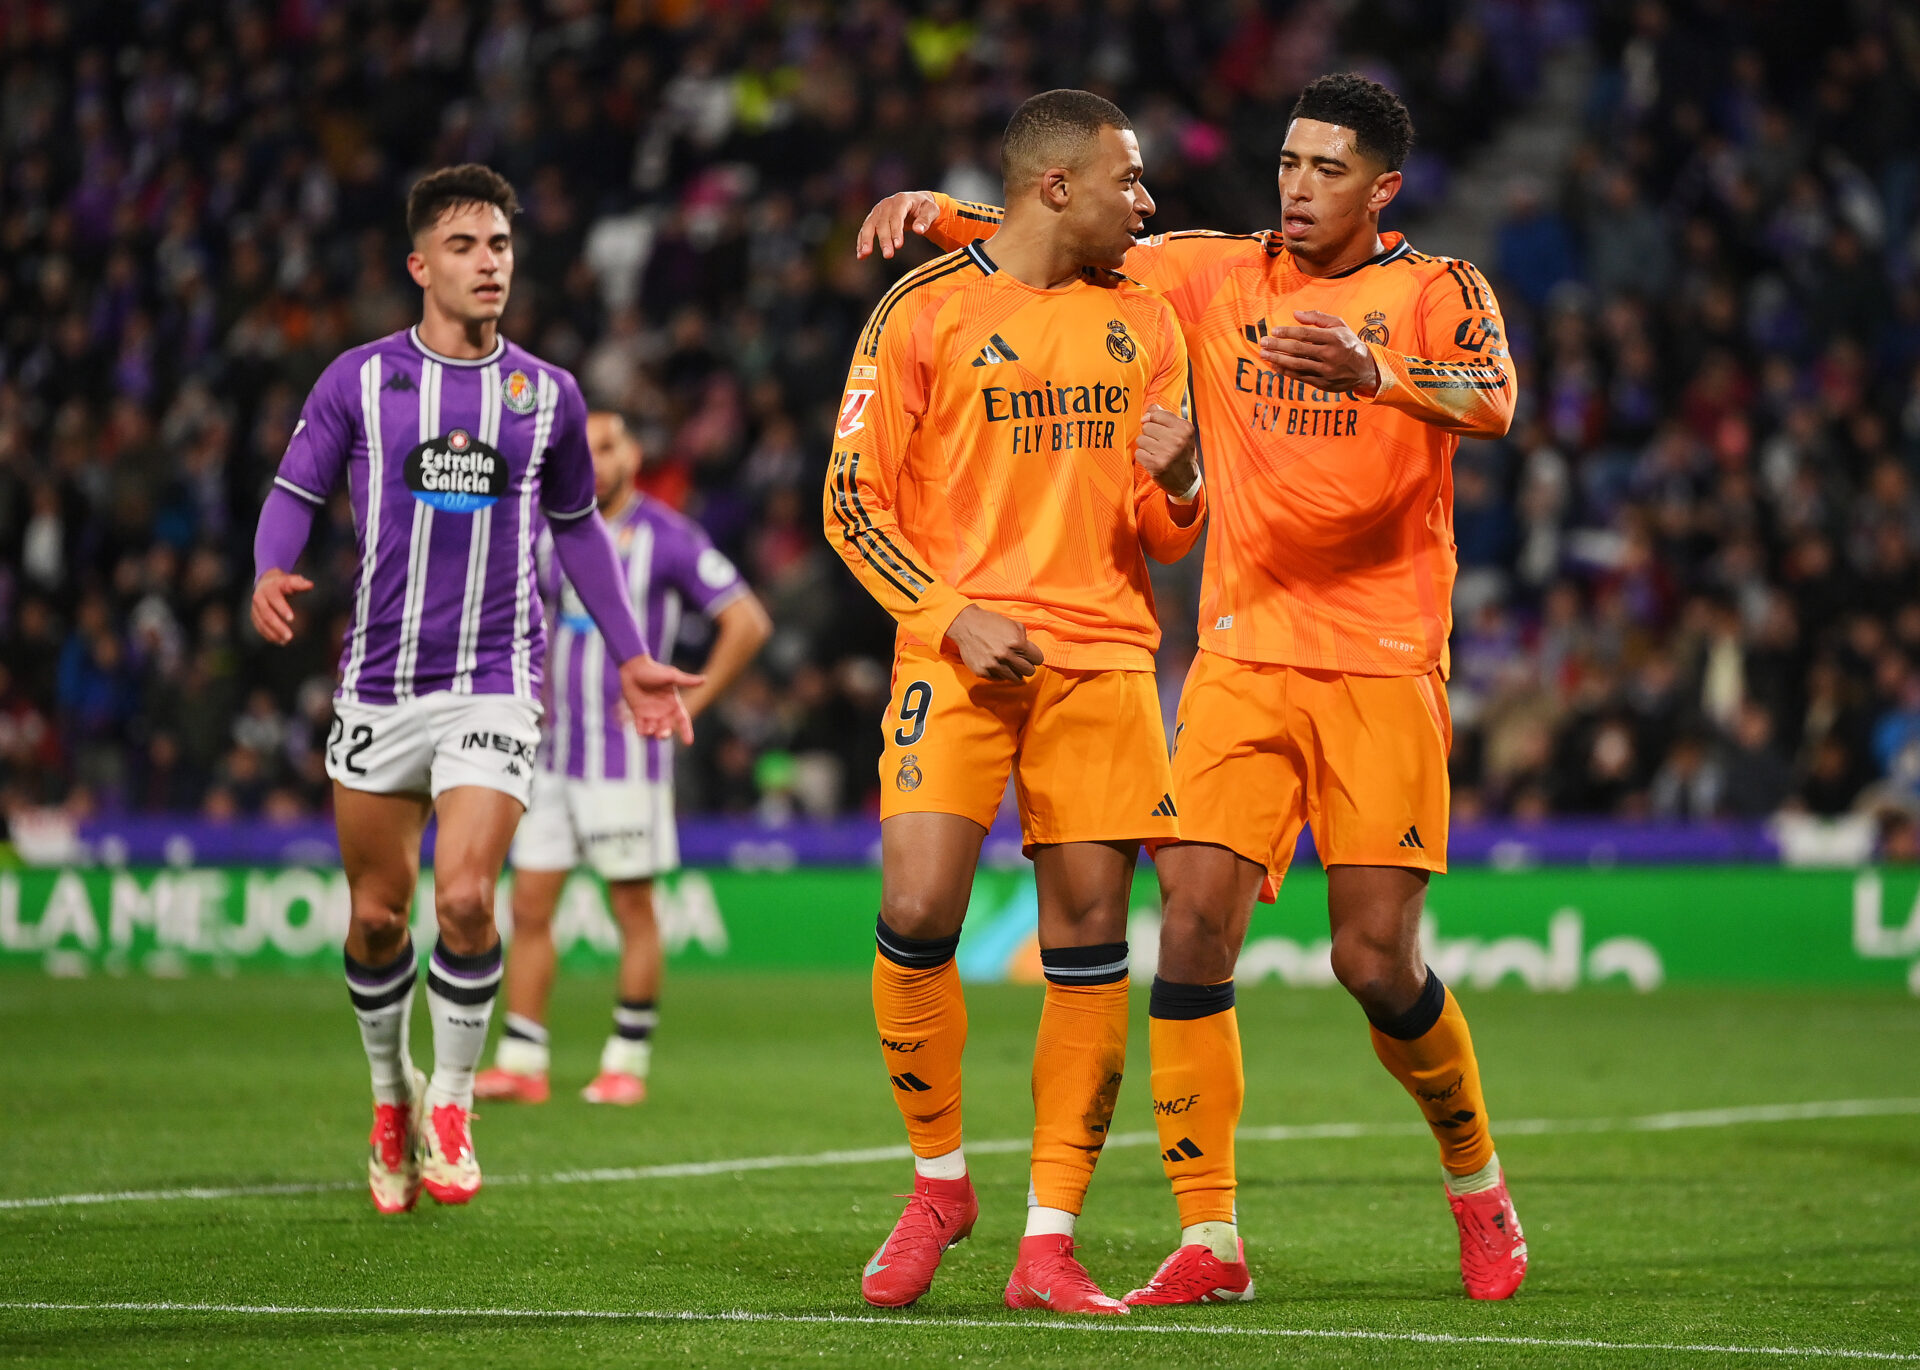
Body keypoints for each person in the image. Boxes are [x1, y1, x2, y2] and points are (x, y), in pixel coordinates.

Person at [857, 72, 1528, 1303]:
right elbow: (1067, 229)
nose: (1297, 186)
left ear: (1383, 188)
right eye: (1287, 162)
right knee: (1194, 927)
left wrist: (1374, 373)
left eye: (1327, 169)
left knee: (1374, 962)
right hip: (1237, 651)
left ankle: (1478, 1182)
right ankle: (1209, 1236)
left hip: (1382, 659)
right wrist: (945, 214)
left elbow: (1492, 397)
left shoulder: (1437, 289)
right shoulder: (1218, 272)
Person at [249, 165, 702, 1215]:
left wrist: (632, 650)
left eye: (499, 244)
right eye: (464, 245)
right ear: (419, 265)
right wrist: (272, 567)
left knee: (463, 897)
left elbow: (580, 528)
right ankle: (389, 1096)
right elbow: (294, 492)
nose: (489, 261)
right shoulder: (359, 381)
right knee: (375, 918)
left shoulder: (547, 394)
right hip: (379, 683)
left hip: (495, 682)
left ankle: (451, 1097)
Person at [825, 89, 1205, 1315]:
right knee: (918, 903)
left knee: (1087, 942)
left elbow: (1165, 530)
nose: (1145, 206)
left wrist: (1185, 479)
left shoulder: (1146, 317)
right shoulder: (922, 310)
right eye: (1128, 182)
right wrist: (948, 614)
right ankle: (940, 1181)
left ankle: (1049, 1243)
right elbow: (850, 504)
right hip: (959, 655)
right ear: (1057, 188)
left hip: (1103, 661)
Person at [475, 411, 771, 1106]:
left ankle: (625, 1063)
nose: (596, 461)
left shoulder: (667, 536)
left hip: (624, 759)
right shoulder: (549, 532)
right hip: (550, 755)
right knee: (528, 903)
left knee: (632, 909)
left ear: (634, 454)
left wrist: (688, 706)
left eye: (607, 447)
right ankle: (522, 1059)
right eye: (584, 449)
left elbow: (748, 620)